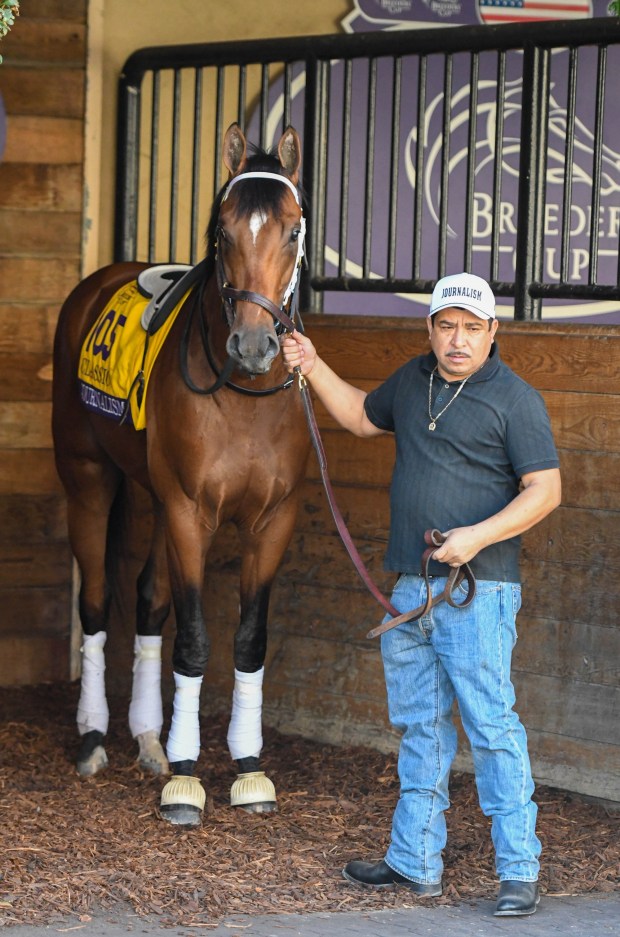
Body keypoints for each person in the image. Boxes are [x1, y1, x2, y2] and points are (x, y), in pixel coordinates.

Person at [280, 272, 561, 917]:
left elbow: (545, 490)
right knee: (419, 726)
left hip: (477, 591)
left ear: (494, 331)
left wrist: (476, 538)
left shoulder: (514, 400)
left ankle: (519, 870)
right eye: (446, 326)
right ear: (429, 328)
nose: (457, 340)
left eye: (471, 327)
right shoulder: (413, 381)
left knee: (491, 728)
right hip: (411, 587)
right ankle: (414, 861)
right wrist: (314, 364)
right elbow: (356, 417)